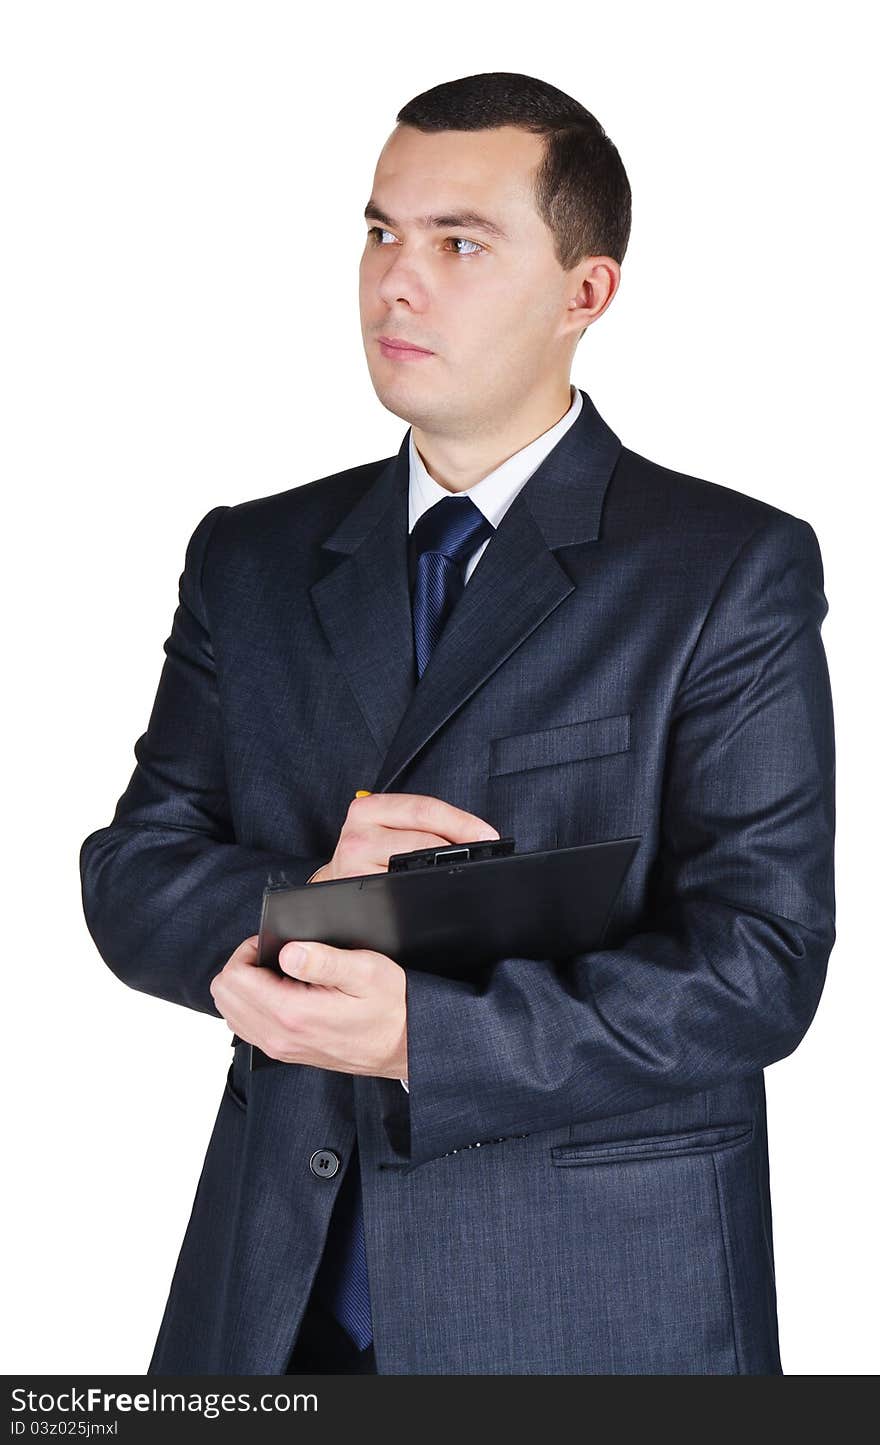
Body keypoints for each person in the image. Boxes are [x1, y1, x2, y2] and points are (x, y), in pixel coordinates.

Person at [79, 71, 835, 1376]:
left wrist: (423, 1035)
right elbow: (133, 867)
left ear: (584, 292)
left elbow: (758, 965)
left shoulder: (727, 571)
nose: (395, 283)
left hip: (594, 1307)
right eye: (379, 232)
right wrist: (297, 910)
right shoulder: (251, 560)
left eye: (458, 243)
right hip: (275, 1305)